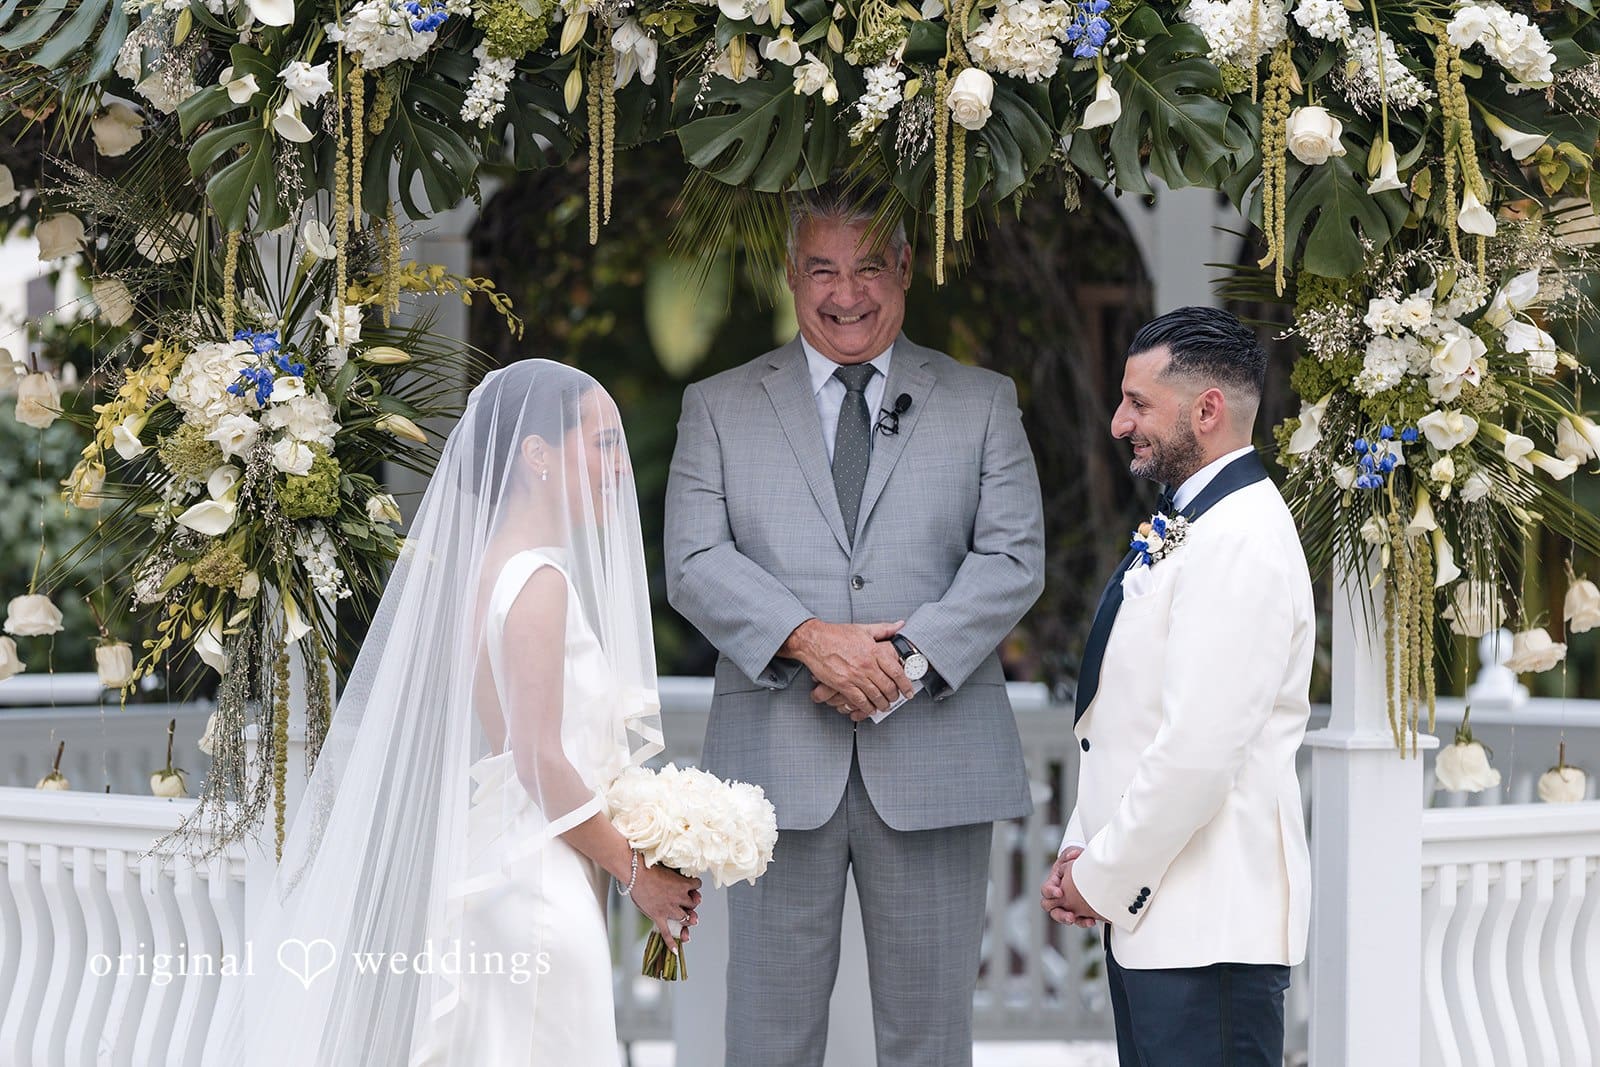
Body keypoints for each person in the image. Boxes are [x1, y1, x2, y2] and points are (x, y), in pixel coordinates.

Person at [210, 360, 700, 1066]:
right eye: (600, 446)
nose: (619, 466)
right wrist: (638, 873)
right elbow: (537, 758)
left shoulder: (492, 569)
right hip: (538, 887)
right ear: (536, 455)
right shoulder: (538, 581)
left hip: (509, 864)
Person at [664, 182, 1045, 1067]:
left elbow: (1013, 559)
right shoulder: (716, 406)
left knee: (929, 1040)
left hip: (936, 762)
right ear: (791, 275)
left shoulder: (982, 399)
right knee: (768, 1037)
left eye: (869, 266)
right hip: (772, 778)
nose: (847, 293)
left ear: (906, 269)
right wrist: (810, 640)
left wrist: (902, 661)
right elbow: (691, 562)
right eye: (824, 269)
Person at [1039, 307, 1313, 1067]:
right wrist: (1083, 846)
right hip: (1164, 923)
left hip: (1209, 935)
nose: (1120, 421)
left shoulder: (1242, 542)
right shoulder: (1200, 520)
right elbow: (1132, 712)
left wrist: (1101, 875)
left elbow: (1196, 753)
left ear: (1207, 410)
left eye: (1138, 403)